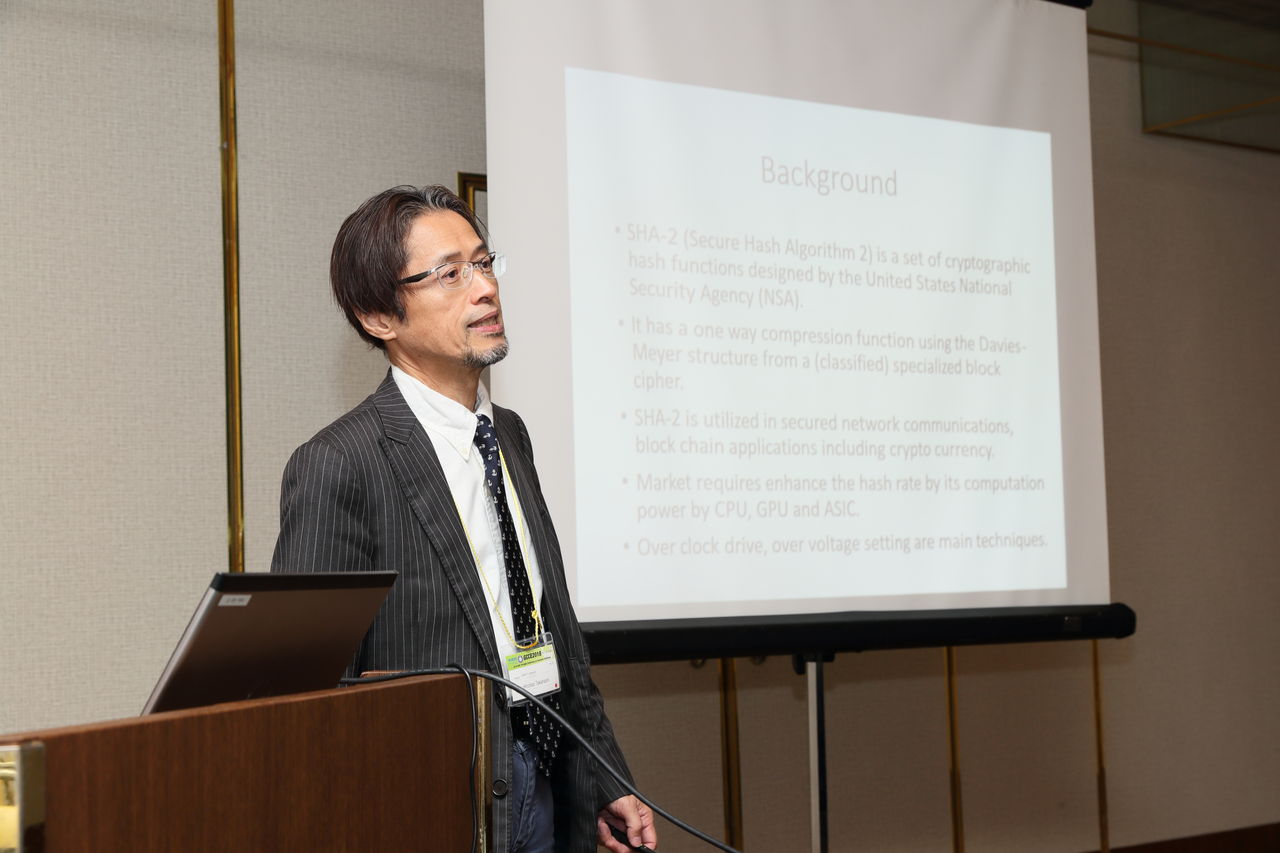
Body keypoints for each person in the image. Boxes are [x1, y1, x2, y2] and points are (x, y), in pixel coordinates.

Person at [271, 185, 657, 853]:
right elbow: (310, 699)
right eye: (450, 274)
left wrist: (602, 776)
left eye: (483, 263)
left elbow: (554, 628)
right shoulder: (340, 463)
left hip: (550, 774)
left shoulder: (509, 433)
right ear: (378, 315)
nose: (484, 289)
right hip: (439, 801)